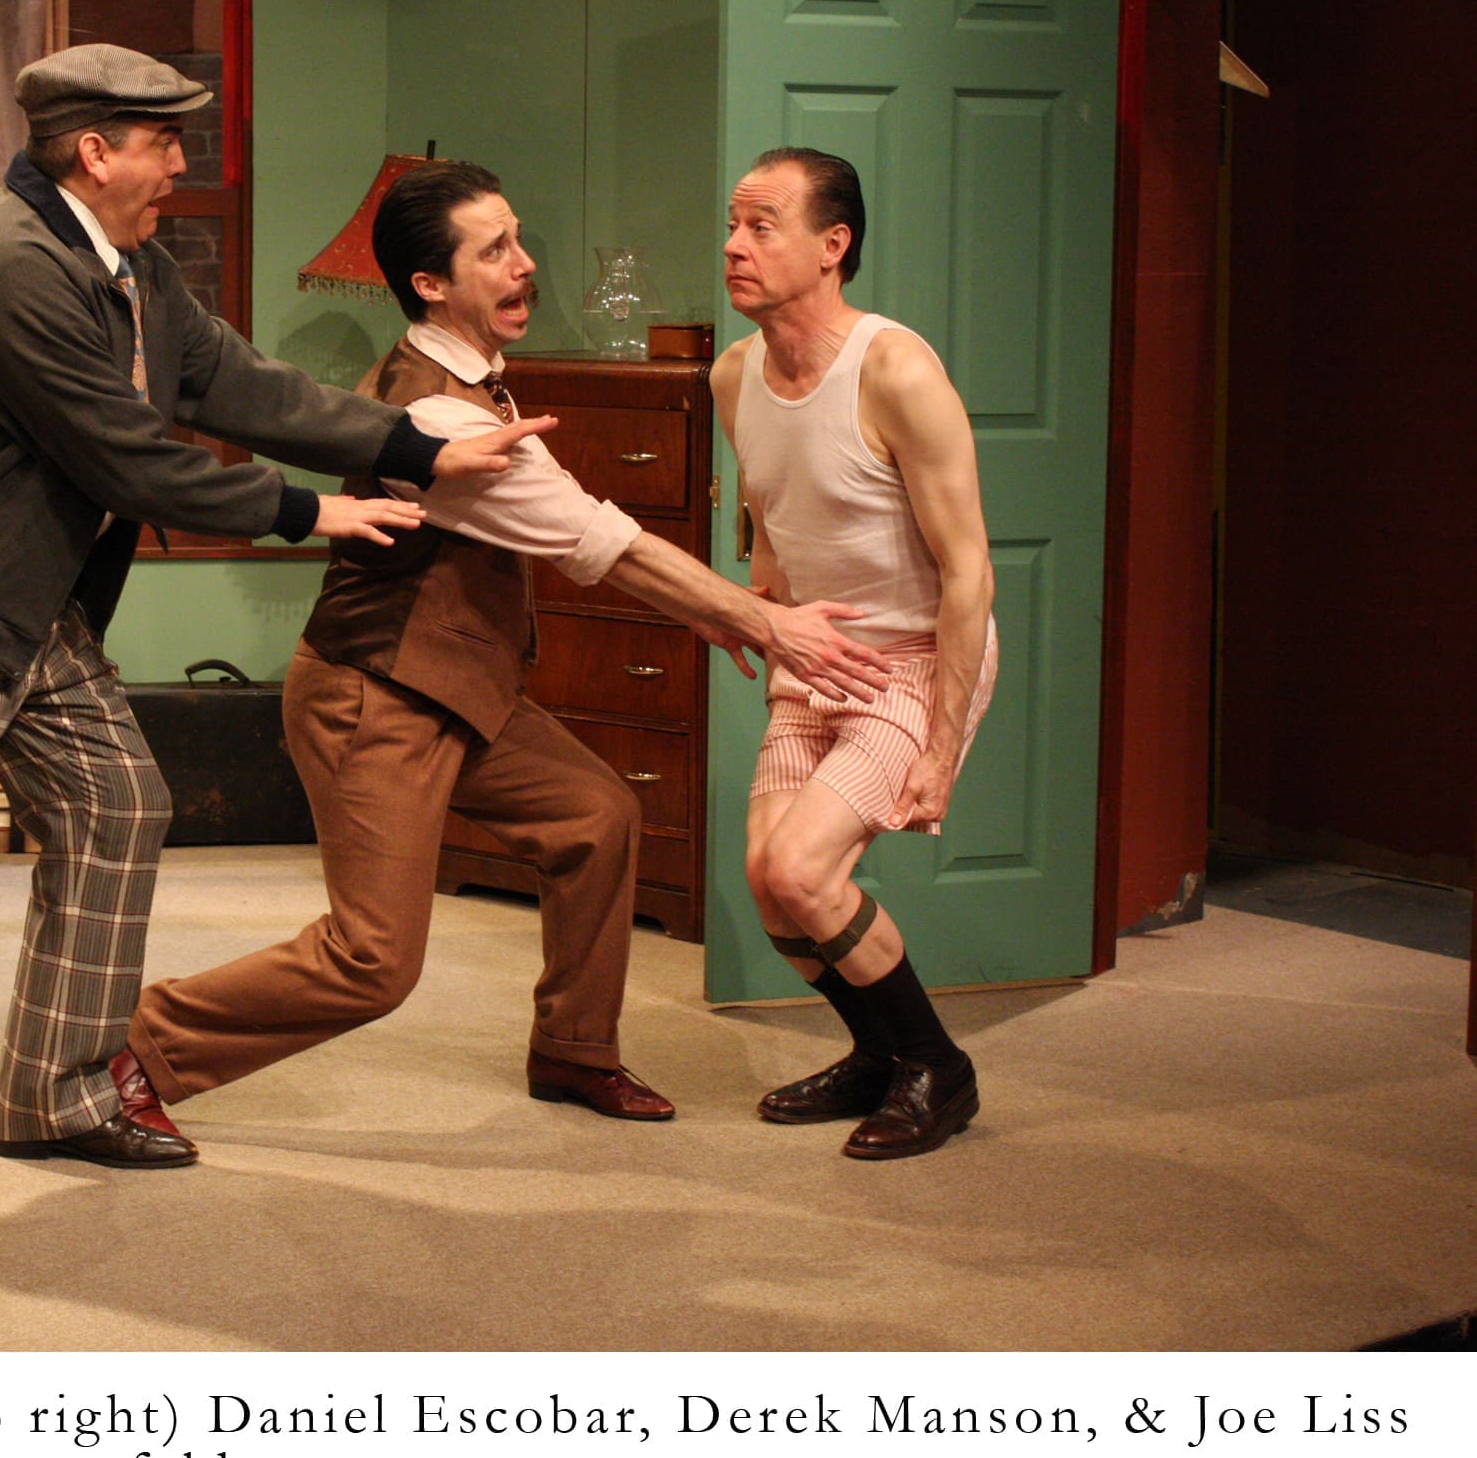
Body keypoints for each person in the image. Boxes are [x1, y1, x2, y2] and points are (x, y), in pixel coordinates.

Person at [0, 47, 540, 1231]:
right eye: (164, 141)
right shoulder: (12, 267)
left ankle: (59, 1093)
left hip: (24, 591)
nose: (182, 163)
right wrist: (310, 510)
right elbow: (123, 458)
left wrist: (413, 446)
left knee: (118, 803)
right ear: (95, 151)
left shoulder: (128, 263)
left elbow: (237, 382)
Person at [112, 161, 891, 1144]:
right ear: (430, 284)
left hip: (457, 687)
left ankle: (574, 1048)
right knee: (372, 960)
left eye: (519, 240)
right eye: (495, 251)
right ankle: (137, 1049)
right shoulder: (434, 412)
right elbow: (593, 536)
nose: (526, 264)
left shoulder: (480, 383)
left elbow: (573, 515)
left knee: (595, 818)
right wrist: (763, 620)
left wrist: (713, 612)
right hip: (372, 694)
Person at [714, 146, 998, 1160]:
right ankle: (877, 1054)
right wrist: (752, 608)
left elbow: (968, 570)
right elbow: (772, 522)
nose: (735, 245)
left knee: (803, 867)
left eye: (761, 226)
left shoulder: (894, 369)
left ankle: (938, 1067)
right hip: (817, 657)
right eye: (733, 225)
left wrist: (942, 747)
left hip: (915, 658)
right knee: (768, 878)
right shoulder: (733, 373)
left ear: (833, 245)